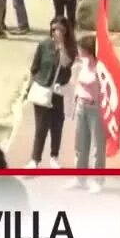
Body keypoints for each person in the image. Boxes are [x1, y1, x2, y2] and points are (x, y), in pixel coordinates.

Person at [26, 16, 76, 168]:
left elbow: (67, 64)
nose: (56, 32)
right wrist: (34, 83)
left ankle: (54, 157)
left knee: (57, 125)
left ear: (66, 31)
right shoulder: (44, 45)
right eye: (54, 29)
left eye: (60, 29)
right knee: (41, 127)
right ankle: (35, 159)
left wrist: (61, 46)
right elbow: (34, 67)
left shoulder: (70, 47)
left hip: (59, 91)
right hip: (43, 89)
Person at [68, 34, 105, 191]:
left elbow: (101, 86)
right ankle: (80, 177)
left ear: (88, 51)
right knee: (80, 144)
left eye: (81, 48)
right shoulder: (82, 64)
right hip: (81, 106)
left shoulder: (100, 68)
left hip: (95, 108)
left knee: (97, 146)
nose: (78, 51)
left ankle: (98, 180)